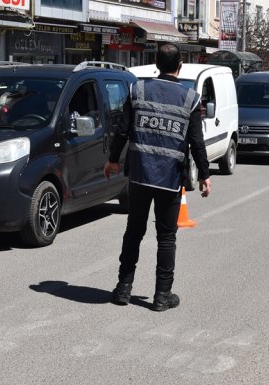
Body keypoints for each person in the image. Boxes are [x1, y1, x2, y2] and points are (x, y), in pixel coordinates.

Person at [103, 43, 211, 312]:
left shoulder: (137, 90)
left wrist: (113, 160)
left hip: (139, 174)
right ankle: (162, 296)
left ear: (156, 64)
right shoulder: (190, 98)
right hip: (169, 177)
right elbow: (196, 141)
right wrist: (204, 174)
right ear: (180, 66)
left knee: (134, 232)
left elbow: (122, 130)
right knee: (166, 237)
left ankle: (123, 289)